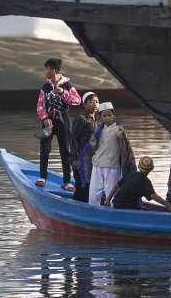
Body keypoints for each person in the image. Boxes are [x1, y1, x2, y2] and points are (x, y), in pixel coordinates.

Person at [35, 58, 81, 190]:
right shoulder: (45, 87)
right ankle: (42, 177)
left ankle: (66, 181)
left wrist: (63, 93)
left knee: (65, 151)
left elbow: (77, 101)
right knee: (44, 149)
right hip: (48, 122)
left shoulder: (67, 85)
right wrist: (44, 118)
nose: (45, 71)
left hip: (63, 120)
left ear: (53, 70)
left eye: (47, 69)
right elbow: (40, 105)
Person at [87, 102, 136, 206]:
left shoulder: (119, 130)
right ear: (101, 117)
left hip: (112, 166)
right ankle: (93, 210)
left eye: (110, 115)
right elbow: (94, 147)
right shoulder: (98, 131)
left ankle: (113, 212)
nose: (107, 118)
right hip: (98, 164)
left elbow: (125, 148)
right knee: (94, 193)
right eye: (104, 116)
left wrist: (122, 137)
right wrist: (93, 142)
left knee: (112, 193)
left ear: (114, 116)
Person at [105, 156, 171, 212]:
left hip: (116, 203)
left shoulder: (131, 175)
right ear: (151, 170)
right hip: (126, 207)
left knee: (142, 205)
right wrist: (169, 206)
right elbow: (154, 196)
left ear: (139, 167)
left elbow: (116, 186)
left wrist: (108, 200)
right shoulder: (145, 181)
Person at [70, 91, 99, 202]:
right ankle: (77, 206)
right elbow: (73, 139)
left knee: (90, 184)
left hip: (91, 159)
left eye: (97, 102)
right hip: (80, 158)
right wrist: (75, 158)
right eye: (91, 102)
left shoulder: (97, 120)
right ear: (85, 104)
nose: (95, 104)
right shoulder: (81, 119)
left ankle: (87, 205)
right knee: (81, 184)